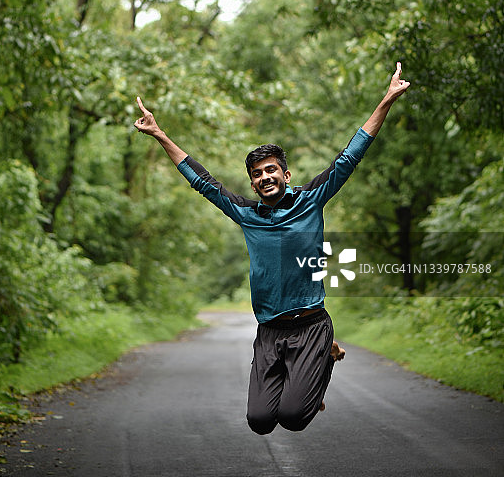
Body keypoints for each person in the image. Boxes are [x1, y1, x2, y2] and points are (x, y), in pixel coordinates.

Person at [134, 61, 410, 434]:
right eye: (257, 174)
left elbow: (352, 154)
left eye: (271, 170)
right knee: (261, 422)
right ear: (252, 184)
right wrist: (159, 133)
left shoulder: (311, 199)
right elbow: (201, 180)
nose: (265, 177)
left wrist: (387, 99)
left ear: (286, 174)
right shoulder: (247, 214)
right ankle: (308, 379)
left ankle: (318, 367)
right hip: (269, 330)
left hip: (311, 323)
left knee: (294, 418)